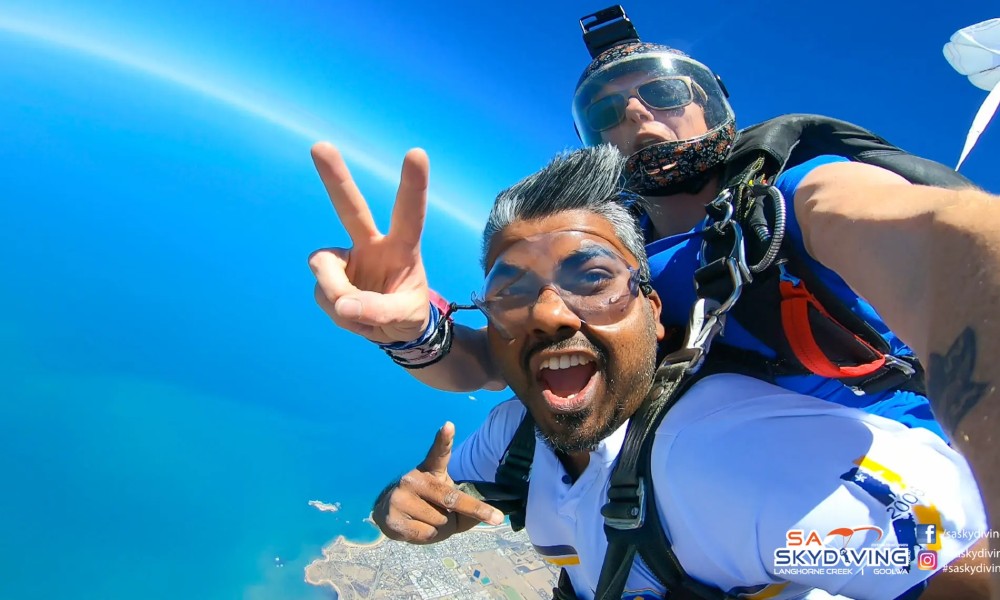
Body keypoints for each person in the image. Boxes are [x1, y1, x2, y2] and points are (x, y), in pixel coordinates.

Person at [309, 7, 969, 444]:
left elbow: (945, 241)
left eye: (664, 94)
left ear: (715, 108)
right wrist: (410, 331)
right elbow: (492, 363)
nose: (638, 116)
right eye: (607, 113)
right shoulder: (608, 259)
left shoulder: (799, 198)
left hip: (905, 491)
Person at [360, 145, 990, 600]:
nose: (549, 313)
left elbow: (968, 560)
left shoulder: (736, 462)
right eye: (513, 292)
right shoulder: (515, 437)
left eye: (593, 279)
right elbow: (453, 492)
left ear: (654, 309)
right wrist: (401, 505)